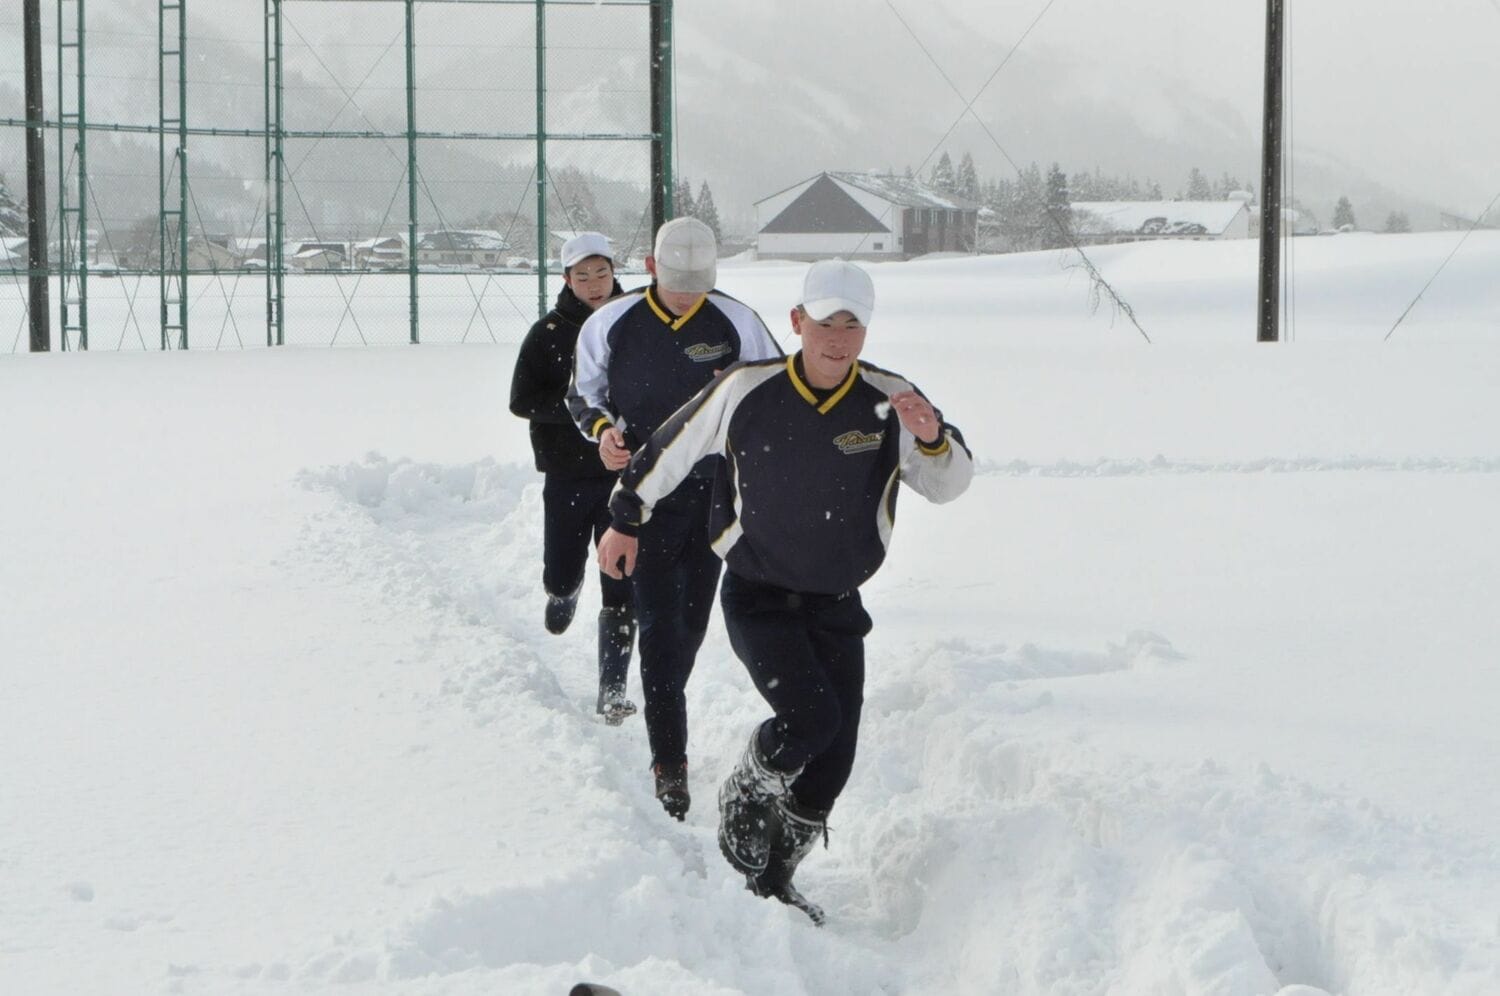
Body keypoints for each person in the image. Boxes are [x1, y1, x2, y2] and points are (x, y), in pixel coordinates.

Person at [596, 259, 972, 922]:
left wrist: (933, 437)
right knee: (810, 719)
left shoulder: (890, 399)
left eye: (852, 323)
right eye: (825, 321)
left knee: (835, 759)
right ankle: (747, 787)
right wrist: (625, 518)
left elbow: (948, 483)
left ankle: (773, 878)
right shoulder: (746, 388)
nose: (838, 336)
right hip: (758, 592)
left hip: (837, 603)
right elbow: (667, 451)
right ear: (798, 323)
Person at [567, 216, 781, 819]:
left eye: (700, 282)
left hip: (715, 497)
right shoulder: (612, 322)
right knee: (659, 628)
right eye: (677, 279)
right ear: (652, 267)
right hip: (647, 496)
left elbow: (776, 395)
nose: (688, 293)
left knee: (688, 628)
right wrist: (604, 432)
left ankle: (668, 699)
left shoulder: (738, 322)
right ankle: (670, 764)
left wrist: (738, 397)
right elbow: (581, 394)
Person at [509, 232, 637, 724]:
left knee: (622, 581)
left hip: (622, 477)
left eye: (601, 273)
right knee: (561, 571)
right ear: (566, 279)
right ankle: (563, 590)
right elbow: (521, 400)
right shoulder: (547, 333)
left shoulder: (633, 323)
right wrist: (584, 415)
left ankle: (613, 687)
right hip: (565, 475)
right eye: (581, 276)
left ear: (613, 271)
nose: (593, 284)